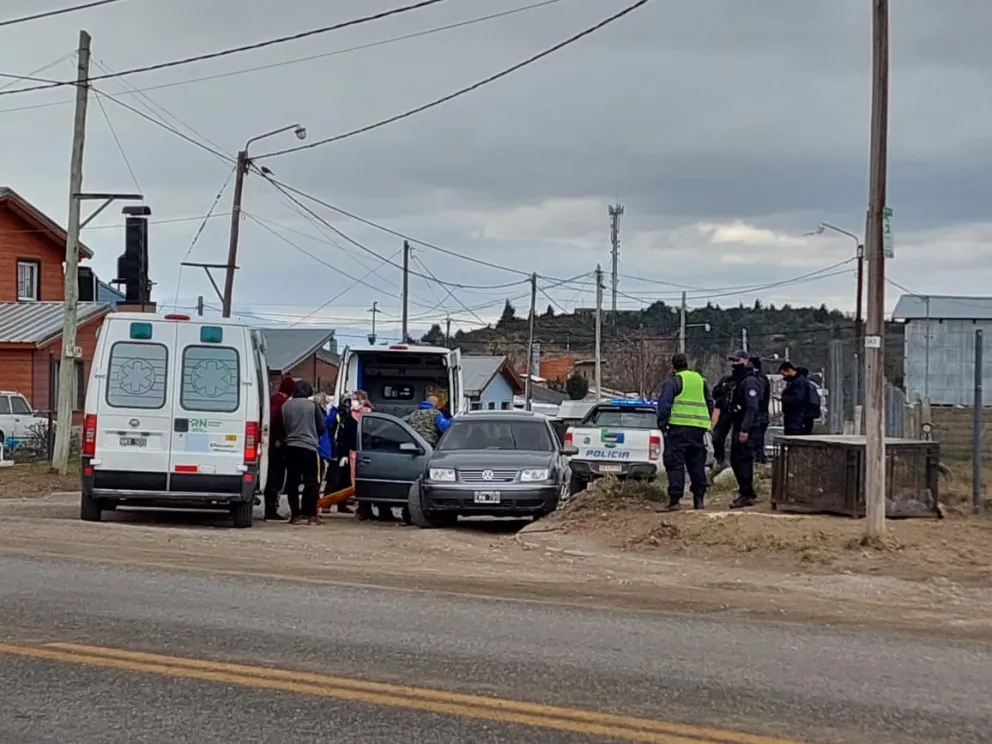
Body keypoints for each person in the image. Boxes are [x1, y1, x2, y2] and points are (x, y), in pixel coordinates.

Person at [656, 353, 713, 510]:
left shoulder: (674, 381)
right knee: (697, 464)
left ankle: (675, 500)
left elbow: (664, 405)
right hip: (698, 429)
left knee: (675, 464)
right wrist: (705, 422)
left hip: (678, 428)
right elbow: (709, 403)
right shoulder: (700, 380)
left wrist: (663, 425)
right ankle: (699, 498)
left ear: (673, 367)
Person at [280, 380, 326, 525]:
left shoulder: (285, 406)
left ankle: (295, 515)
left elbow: (283, 426)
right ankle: (311, 515)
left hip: (291, 447)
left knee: (293, 482)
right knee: (312, 482)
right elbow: (321, 427)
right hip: (309, 447)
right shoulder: (312, 406)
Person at [726, 351, 762, 509]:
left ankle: (747, 494)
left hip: (746, 427)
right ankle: (745, 491)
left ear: (746, 361)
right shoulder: (738, 381)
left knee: (743, 460)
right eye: (732, 360)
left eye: (737, 360)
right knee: (735, 459)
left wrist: (745, 428)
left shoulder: (750, 381)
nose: (734, 363)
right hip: (738, 424)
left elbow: (752, 407)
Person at [262, 375, 296, 521]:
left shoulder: (273, 400)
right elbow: (277, 422)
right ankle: (271, 509)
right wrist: (278, 440)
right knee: (276, 478)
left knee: (273, 476)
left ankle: (271, 507)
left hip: (273, 445)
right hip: (277, 446)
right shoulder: (280, 403)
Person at [778, 361, 811, 436]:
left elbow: (796, 399)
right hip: (796, 418)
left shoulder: (798, 382)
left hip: (796, 419)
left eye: (784, 374)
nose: (784, 377)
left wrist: (784, 398)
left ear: (789, 370)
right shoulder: (797, 381)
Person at [709, 372, 734, 469]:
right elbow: (715, 394)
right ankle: (720, 460)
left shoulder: (743, 381)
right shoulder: (726, 380)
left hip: (739, 414)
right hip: (725, 413)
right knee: (716, 438)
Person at [749, 356, 771, 464]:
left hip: (759, 415)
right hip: (761, 415)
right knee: (757, 441)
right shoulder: (762, 378)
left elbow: (758, 397)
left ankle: (758, 462)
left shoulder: (758, 379)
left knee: (756, 442)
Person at [796, 366, 821, 435]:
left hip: (802, 414)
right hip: (810, 414)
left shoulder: (799, 384)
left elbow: (797, 399)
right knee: (807, 432)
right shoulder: (811, 385)